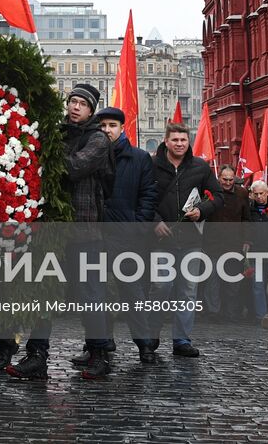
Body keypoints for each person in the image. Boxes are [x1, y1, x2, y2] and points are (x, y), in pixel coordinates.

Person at [7, 83, 112, 380]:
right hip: (53, 230)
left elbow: (74, 167)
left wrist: (45, 154)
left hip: (86, 231)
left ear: (91, 110)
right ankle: (37, 355)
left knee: (90, 294)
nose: (75, 107)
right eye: (72, 101)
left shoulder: (98, 139)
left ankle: (99, 353)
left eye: (82, 103)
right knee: (45, 293)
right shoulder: (58, 135)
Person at [147, 120, 224, 359]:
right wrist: (155, 221)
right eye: (175, 140)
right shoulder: (151, 166)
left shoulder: (200, 167)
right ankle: (151, 334)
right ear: (166, 141)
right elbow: (143, 198)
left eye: (183, 140)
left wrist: (202, 210)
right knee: (161, 286)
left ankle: (182, 339)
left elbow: (219, 196)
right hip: (162, 239)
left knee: (188, 291)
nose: (180, 144)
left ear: (188, 141)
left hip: (191, 239)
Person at [95, 107, 159, 366]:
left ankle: (144, 346)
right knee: (96, 294)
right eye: (103, 126)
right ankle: (99, 344)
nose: (107, 130)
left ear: (122, 128)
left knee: (132, 293)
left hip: (127, 235)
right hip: (96, 233)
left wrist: (139, 225)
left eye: (112, 125)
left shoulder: (139, 157)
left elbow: (148, 195)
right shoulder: (92, 155)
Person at [202, 165, 251, 322]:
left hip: (234, 242)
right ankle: (213, 311)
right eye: (225, 179)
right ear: (219, 178)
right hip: (213, 242)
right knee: (212, 279)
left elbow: (246, 219)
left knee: (232, 280)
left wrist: (247, 240)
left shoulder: (242, 193)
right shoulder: (211, 192)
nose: (228, 183)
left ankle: (230, 312)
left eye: (231, 180)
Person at [245, 180, 268, 321]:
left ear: (267, 193)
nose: (259, 197)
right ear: (252, 194)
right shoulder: (248, 209)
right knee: (258, 286)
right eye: (256, 194)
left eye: (262, 193)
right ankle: (262, 316)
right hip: (256, 253)